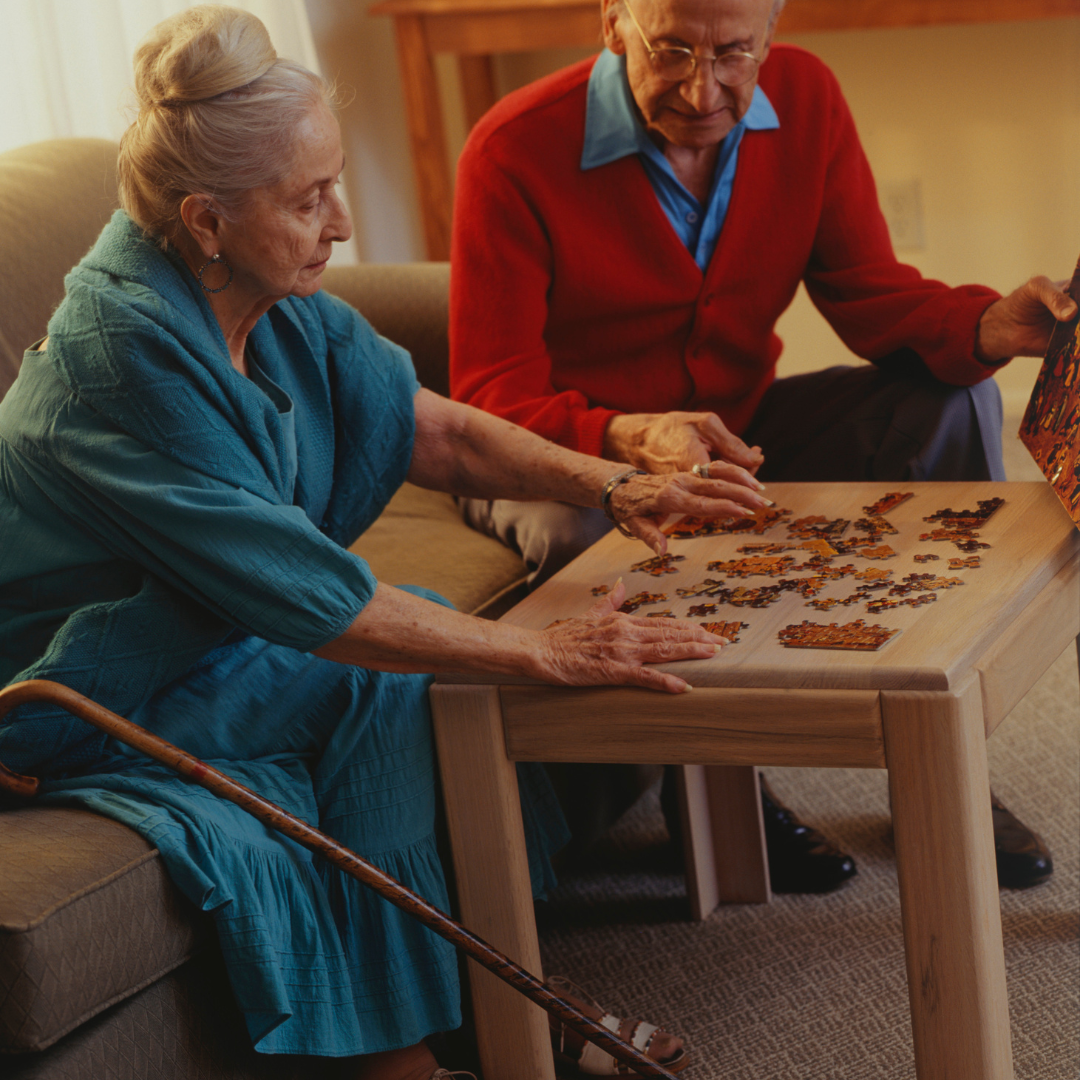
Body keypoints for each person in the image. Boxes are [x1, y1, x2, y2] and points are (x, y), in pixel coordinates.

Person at [0, 8, 773, 1078]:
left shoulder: (260, 289)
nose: (344, 222)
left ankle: (486, 1000)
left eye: (334, 183)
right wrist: (542, 651)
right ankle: (416, 1050)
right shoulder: (120, 361)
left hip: (206, 632)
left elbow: (427, 427)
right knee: (403, 676)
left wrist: (610, 481)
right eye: (309, 199)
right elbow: (318, 600)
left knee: (424, 670)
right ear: (205, 219)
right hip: (78, 685)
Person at [450, 0, 1077, 891]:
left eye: (734, 53)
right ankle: (720, 791)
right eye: (672, 51)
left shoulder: (809, 99)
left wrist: (984, 326)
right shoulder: (512, 147)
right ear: (613, 23)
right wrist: (627, 438)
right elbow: (490, 394)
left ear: (771, 35)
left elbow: (868, 291)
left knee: (948, 400)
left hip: (733, 433)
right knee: (582, 535)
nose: (703, 90)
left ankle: (945, 760)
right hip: (557, 456)